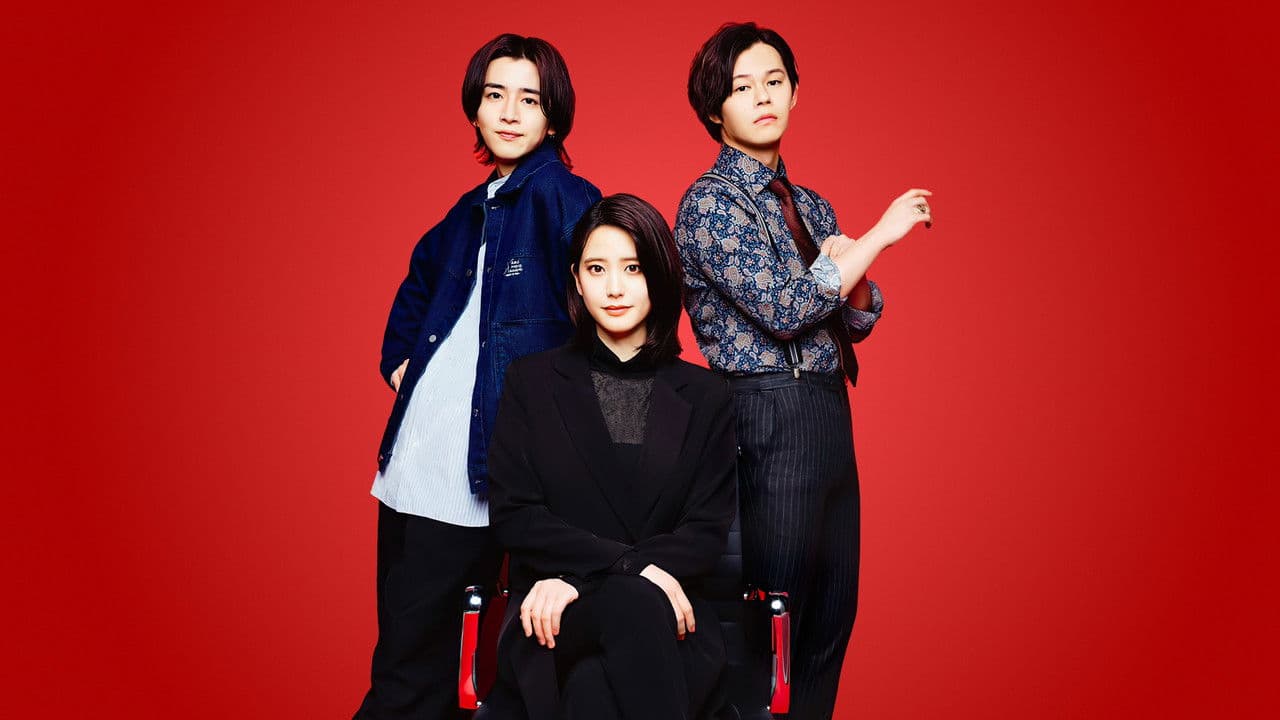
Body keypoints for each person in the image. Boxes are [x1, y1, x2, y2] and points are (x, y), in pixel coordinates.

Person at [674, 22, 934, 719]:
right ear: (714, 109)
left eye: (774, 81)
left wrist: (854, 269)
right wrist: (877, 238)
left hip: (826, 412)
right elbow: (787, 309)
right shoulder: (710, 203)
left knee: (829, 618)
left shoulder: (810, 204)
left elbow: (853, 320)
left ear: (795, 92)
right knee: (771, 624)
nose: (762, 97)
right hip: (761, 416)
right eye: (741, 87)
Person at [355, 33, 601, 720]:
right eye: (496, 95)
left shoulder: (567, 198)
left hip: (474, 478)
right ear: (475, 108)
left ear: (554, 116)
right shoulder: (466, 211)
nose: (510, 113)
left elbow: (607, 313)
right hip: (409, 465)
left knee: (414, 672)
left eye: (530, 99)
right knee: (408, 656)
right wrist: (404, 367)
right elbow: (414, 295)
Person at [480, 194, 737, 720]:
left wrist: (603, 576)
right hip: (552, 614)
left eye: (633, 268)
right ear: (576, 279)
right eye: (597, 269)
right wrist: (628, 568)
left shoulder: (707, 395)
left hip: (671, 618)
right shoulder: (531, 382)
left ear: (660, 276)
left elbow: (705, 529)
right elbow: (517, 515)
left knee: (593, 688)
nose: (614, 288)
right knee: (629, 603)